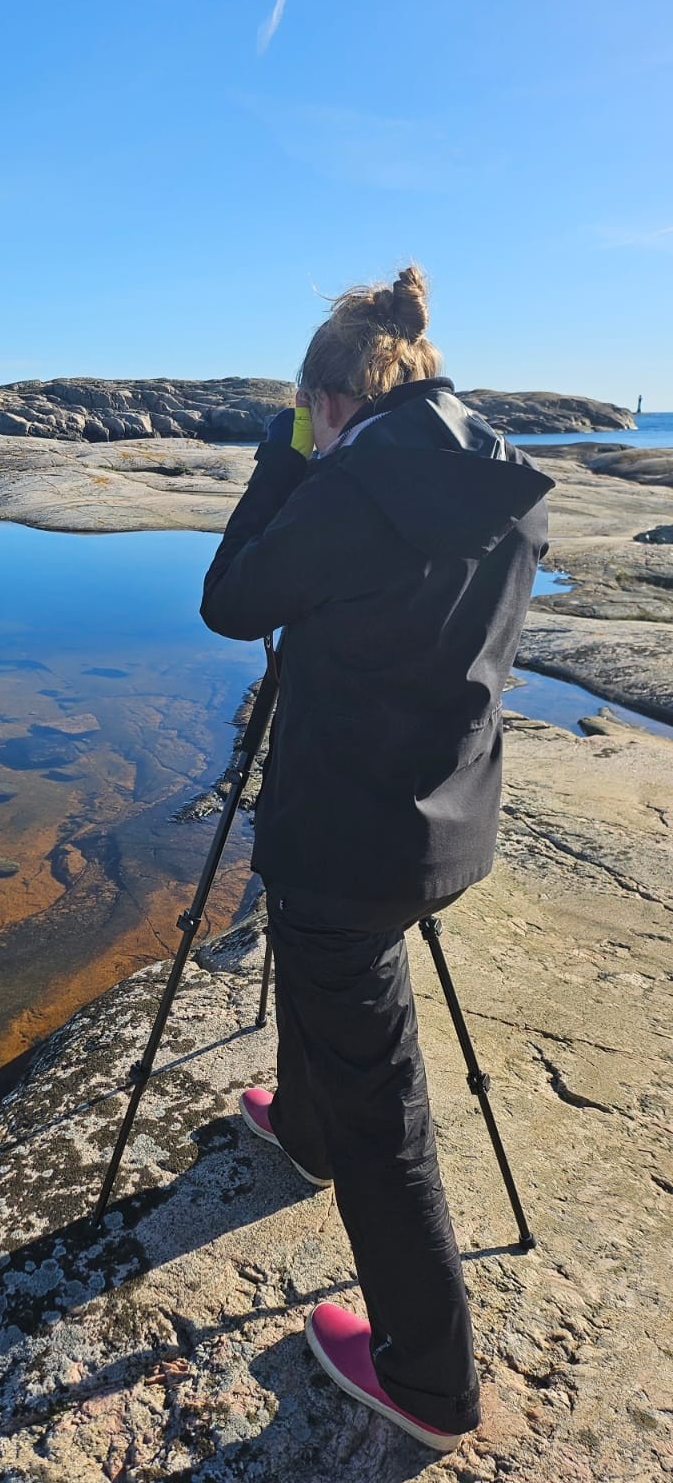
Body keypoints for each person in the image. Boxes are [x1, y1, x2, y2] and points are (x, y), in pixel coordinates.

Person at [200, 265, 553, 1452]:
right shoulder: (496, 475)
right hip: (444, 817)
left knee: (385, 1108)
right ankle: (302, 1125)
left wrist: (280, 461)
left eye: (306, 410)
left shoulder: (349, 487)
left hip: (344, 836)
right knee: (338, 1032)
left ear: (329, 395)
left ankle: (431, 1377)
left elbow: (230, 601)